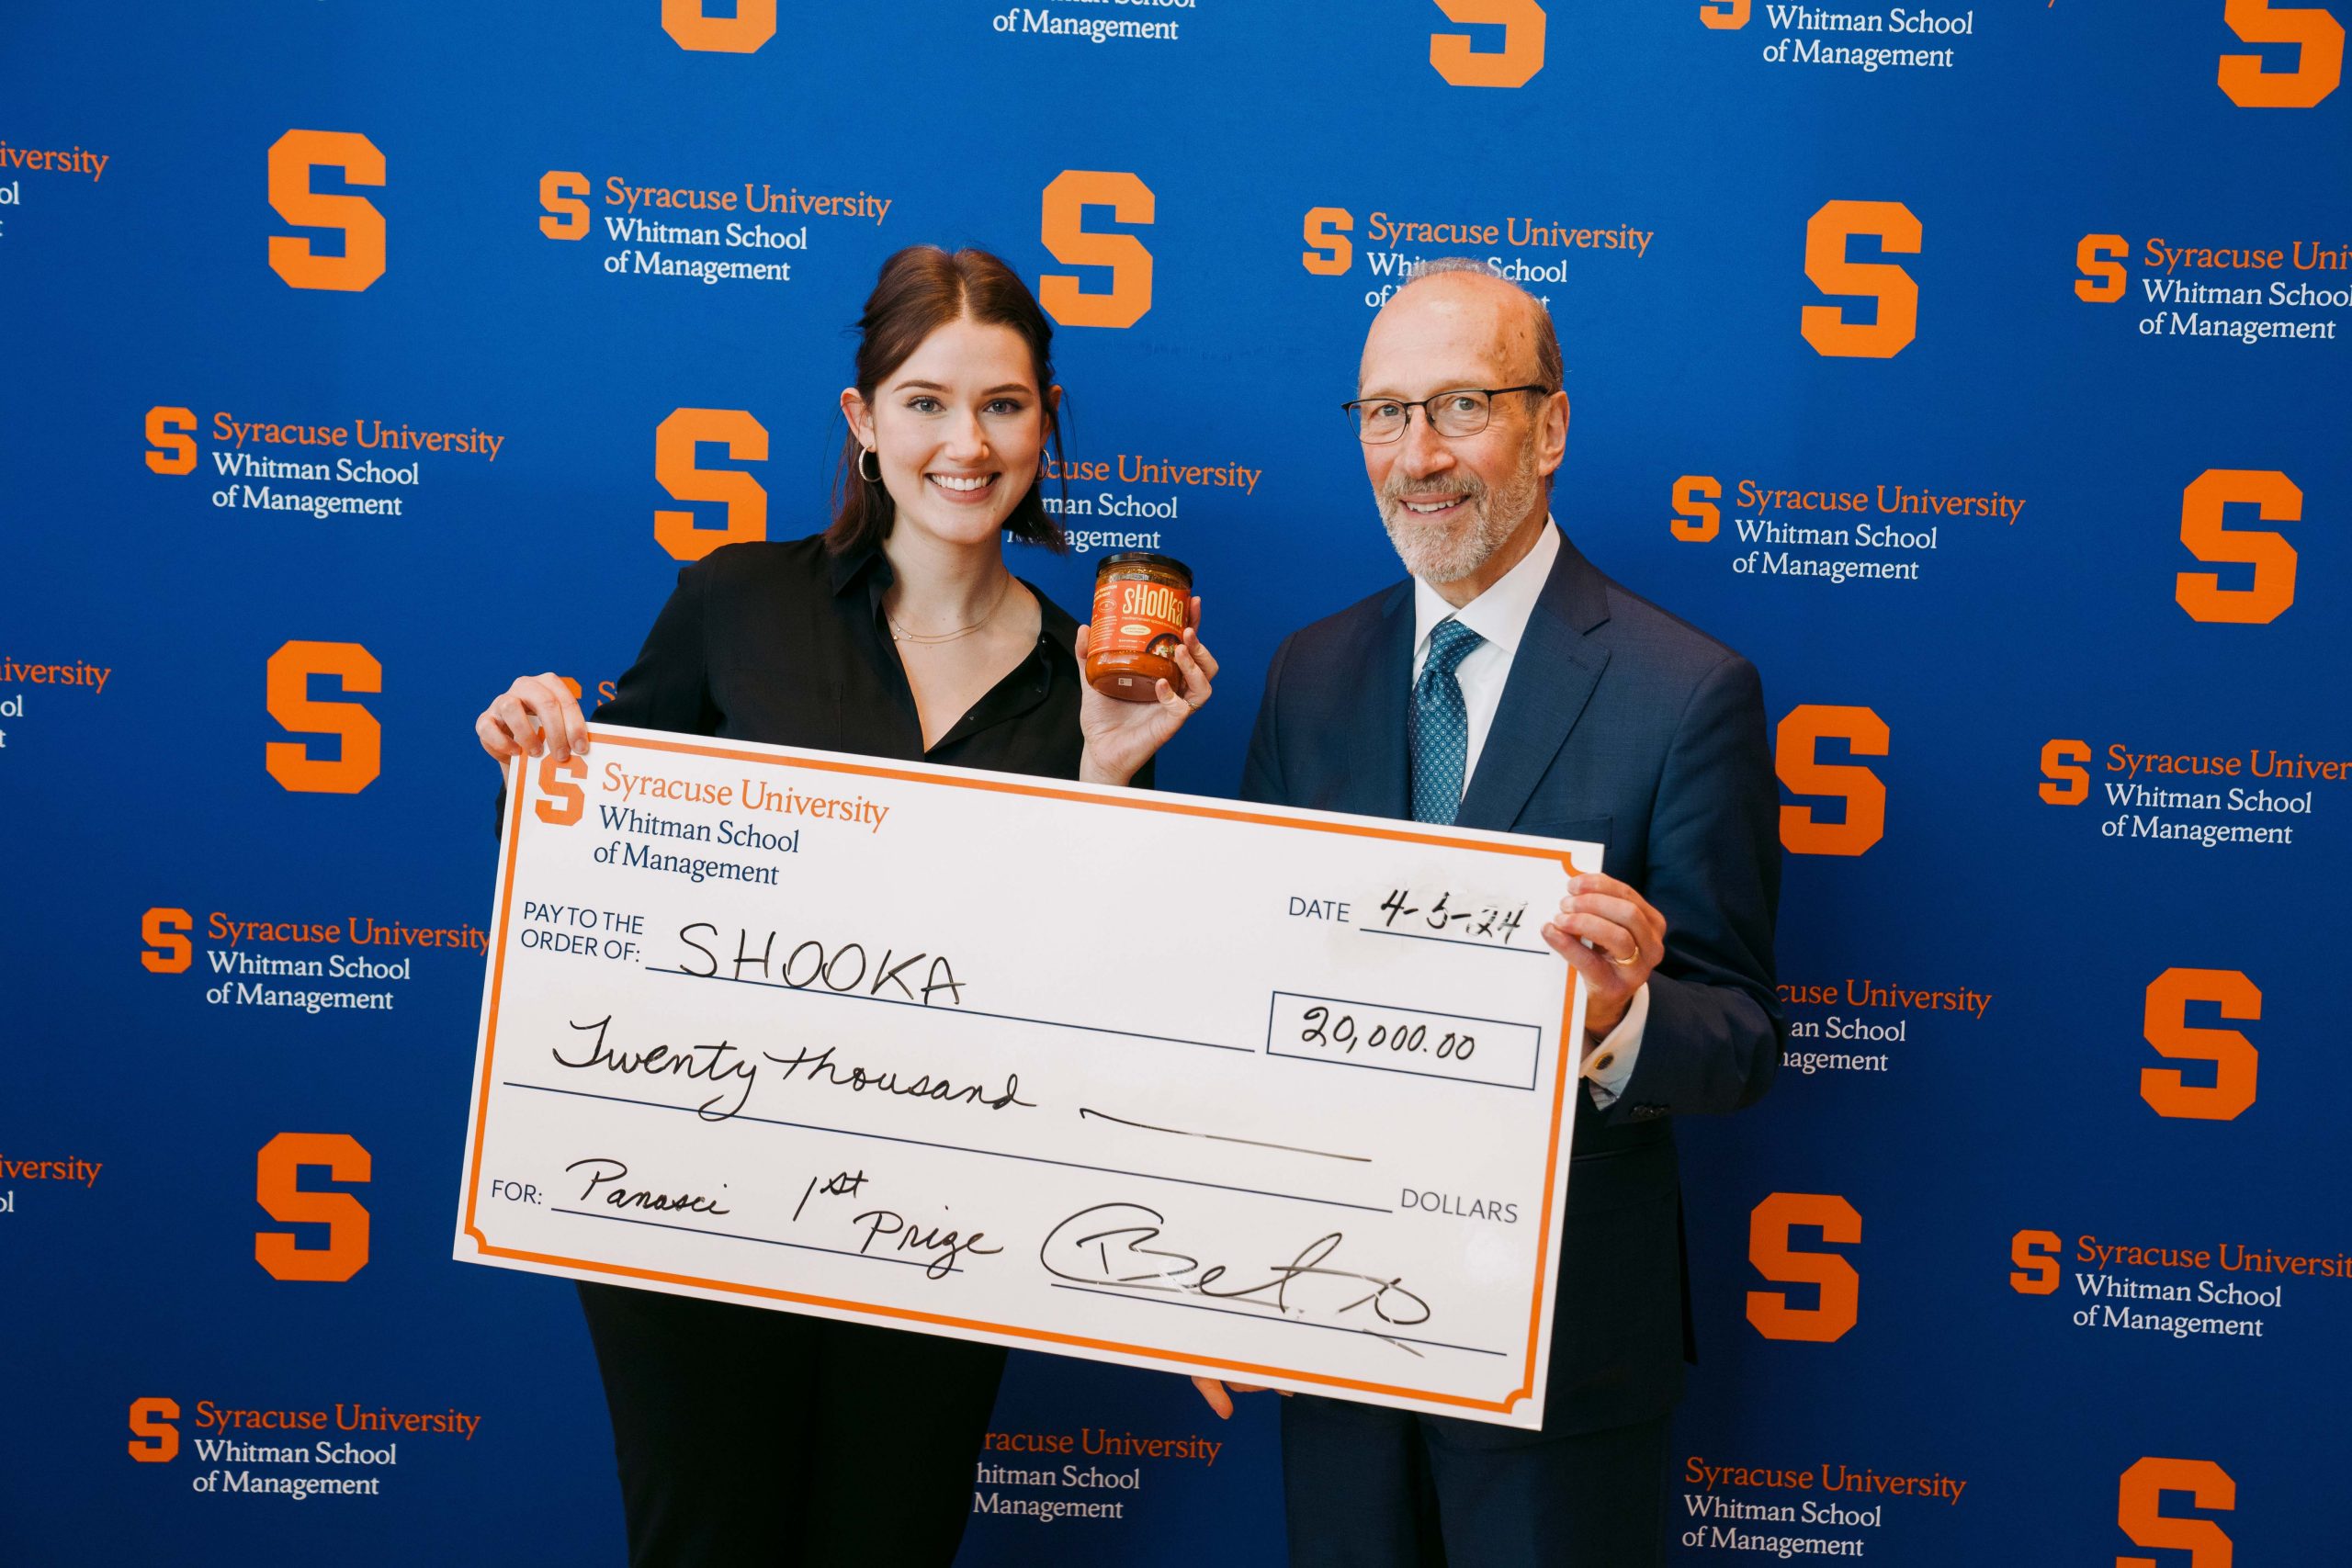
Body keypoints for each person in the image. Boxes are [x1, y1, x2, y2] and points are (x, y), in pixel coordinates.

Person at [473, 245, 1217, 1567]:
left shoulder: (1085, 678)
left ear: (1046, 421)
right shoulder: (733, 604)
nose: (965, 443)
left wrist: (1111, 764)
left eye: (1002, 404)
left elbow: (1099, 993)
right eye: (925, 401)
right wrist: (537, 763)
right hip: (694, 1209)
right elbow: (585, 873)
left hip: (942, 1228)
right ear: (862, 422)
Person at [1197, 260, 1782, 1566]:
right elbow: (1248, 1009)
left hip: (1561, 1361)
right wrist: (1207, 1266)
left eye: (1462, 405)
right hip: (1330, 1326)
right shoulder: (1309, 674)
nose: (1419, 454)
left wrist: (1623, 1019)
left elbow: (1743, 1031)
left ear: (1551, 426)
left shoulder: (1687, 693)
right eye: (1384, 412)